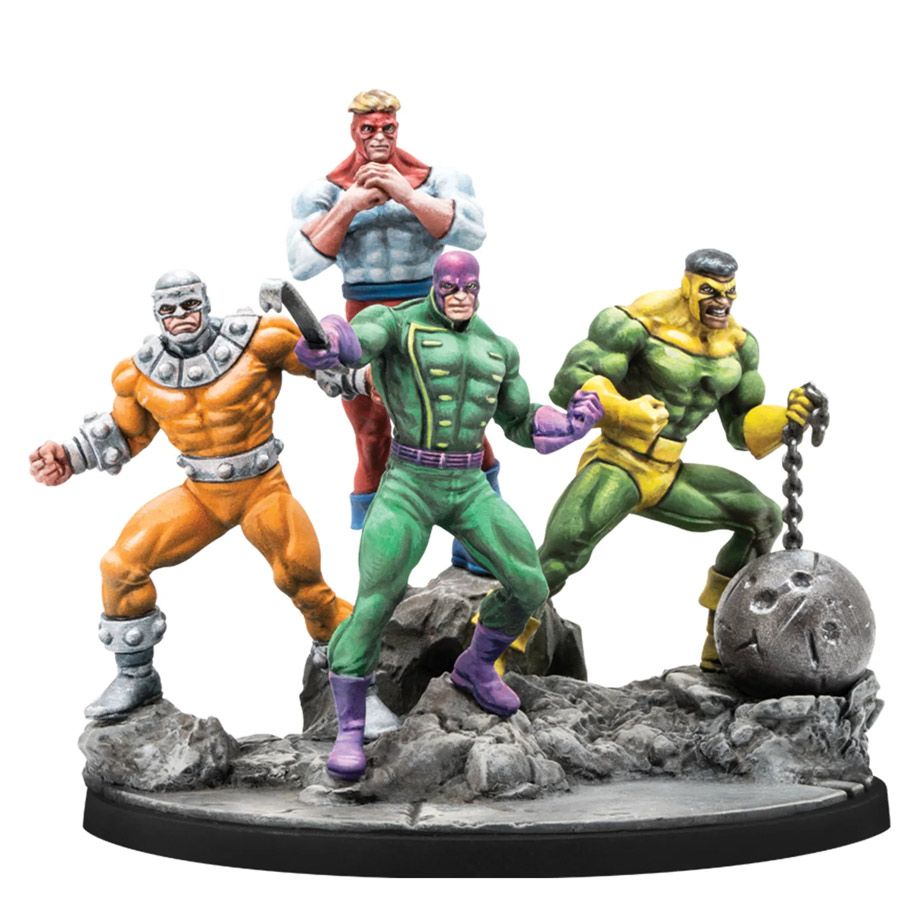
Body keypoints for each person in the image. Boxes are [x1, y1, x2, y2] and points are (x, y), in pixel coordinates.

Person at [29, 269, 396, 734]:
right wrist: (67, 457)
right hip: (200, 495)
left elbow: (326, 367)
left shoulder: (259, 340)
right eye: (168, 309)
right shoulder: (139, 373)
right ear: (156, 314)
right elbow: (126, 433)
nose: (180, 316)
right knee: (121, 566)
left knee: (304, 584)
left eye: (189, 305)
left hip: (263, 489)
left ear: (205, 302)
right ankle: (135, 677)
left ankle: (360, 691)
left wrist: (365, 377)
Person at [295, 251, 604, 780]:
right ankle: (350, 727)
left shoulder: (497, 348)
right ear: (435, 285)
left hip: (467, 483)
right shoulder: (399, 323)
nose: (460, 295)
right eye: (450, 286)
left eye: (469, 287)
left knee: (530, 584)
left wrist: (571, 424)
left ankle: (476, 667)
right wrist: (331, 338)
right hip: (409, 483)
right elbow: (357, 338)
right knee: (376, 601)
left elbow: (521, 420)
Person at [537, 249, 814, 670]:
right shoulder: (637, 322)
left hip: (668, 472)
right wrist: (622, 410)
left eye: (729, 293)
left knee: (762, 518)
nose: (721, 302)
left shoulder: (738, 346)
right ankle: (492, 650)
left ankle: (722, 642)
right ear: (687, 286)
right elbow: (569, 383)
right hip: (618, 461)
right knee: (561, 554)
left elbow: (740, 428)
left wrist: (787, 418)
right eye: (710, 292)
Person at [286, 89, 492, 555]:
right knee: (371, 436)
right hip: (363, 314)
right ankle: (379, 561)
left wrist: (406, 194)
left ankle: (479, 551)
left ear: (397, 128)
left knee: (463, 429)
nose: (379, 137)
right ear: (353, 130)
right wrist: (349, 205)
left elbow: (474, 234)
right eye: (369, 129)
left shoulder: (436, 179)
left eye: (387, 128)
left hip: (432, 311)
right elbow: (301, 264)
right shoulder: (324, 191)